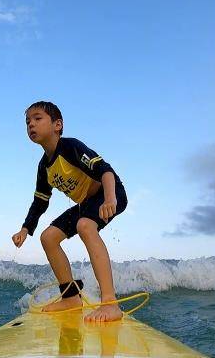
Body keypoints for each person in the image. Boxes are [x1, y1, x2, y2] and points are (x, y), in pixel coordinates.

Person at [11, 101, 128, 322]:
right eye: (27, 122)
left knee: (85, 225)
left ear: (57, 125)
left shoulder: (70, 147)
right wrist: (26, 229)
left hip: (110, 192)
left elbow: (106, 171)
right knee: (48, 237)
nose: (31, 125)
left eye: (37, 119)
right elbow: (40, 201)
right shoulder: (44, 166)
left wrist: (110, 198)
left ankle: (110, 303)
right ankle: (71, 297)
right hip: (86, 204)